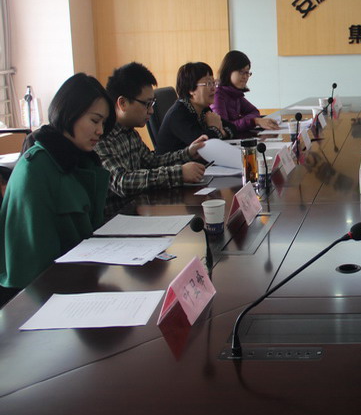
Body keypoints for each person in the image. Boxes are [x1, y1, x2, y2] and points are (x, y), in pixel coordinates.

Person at [0, 74, 115, 299]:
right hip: (39, 294)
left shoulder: (81, 159)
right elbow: (32, 268)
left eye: (103, 123)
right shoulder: (36, 169)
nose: (100, 131)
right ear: (69, 113)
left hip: (78, 274)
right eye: (95, 121)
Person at [96, 62, 208, 198]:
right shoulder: (101, 136)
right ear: (123, 103)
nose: (151, 111)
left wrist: (188, 153)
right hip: (122, 211)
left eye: (152, 103)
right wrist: (179, 173)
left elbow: (152, 162)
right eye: (147, 104)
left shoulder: (131, 132)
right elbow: (122, 182)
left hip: (142, 204)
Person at [156, 62, 234, 154]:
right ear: (191, 89)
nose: (214, 88)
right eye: (208, 83)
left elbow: (232, 128)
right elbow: (203, 145)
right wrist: (215, 127)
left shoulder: (203, 108)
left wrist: (220, 132)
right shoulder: (178, 114)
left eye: (213, 83)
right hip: (175, 162)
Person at [212, 50, 280, 136]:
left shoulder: (235, 94)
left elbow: (254, 112)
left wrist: (248, 120)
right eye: (241, 72)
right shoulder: (217, 95)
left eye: (247, 72)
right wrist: (254, 121)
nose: (245, 77)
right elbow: (224, 128)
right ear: (228, 71)